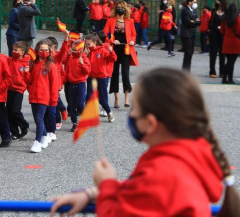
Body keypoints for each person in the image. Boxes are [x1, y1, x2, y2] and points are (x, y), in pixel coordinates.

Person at [50, 68, 240, 217]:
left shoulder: (163, 170)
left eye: (135, 107)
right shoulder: (193, 155)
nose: (131, 114)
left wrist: (106, 183)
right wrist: (93, 194)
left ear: (150, 124)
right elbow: (147, 192)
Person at [24, 39, 58, 153]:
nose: (44, 51)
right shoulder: (32, 64)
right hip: (34, 96)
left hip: (44, 97)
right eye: (41, 49)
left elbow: (54, 84)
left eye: (46, 50)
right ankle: (44, 136)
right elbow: (28, 81)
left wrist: (53, 100)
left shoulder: (51, 66)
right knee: (37, 119)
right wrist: (26, 72)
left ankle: (37, 141)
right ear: (37, 50)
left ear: (49, 51)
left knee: (39, 118)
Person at [103, 1, 139, 108]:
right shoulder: (110, 21)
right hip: (114, 50)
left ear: (125, 9)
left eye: (122, 7)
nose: (120, 9)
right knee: (114, 74)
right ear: (115, 9)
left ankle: (127, 98)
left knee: (125, 74)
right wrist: (112, 40)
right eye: (118, 7)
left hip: (126, 50)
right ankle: (116, 98)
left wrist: (133, 41)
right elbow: (106, 34)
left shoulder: (130, 21)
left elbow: (133, 34)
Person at [84, 33, 116, 122]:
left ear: (94, 43)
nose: (87, 46)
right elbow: (84, 63)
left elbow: (112, 59)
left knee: (102, 99)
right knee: (89, 97)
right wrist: (85, 55)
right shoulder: (87, 51)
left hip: (101, 77)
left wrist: (111, 51)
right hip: (91, 77)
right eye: (86, 44)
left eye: (89, 44)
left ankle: (109, 112)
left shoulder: (102, 50)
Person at [62, 40, 91, 132]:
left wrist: (82, 64)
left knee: (80, 104)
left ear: (81, 50)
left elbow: (87, 71)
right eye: (72, 49)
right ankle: (75, 123)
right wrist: (61, 83)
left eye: (75, 50)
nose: (73, 51)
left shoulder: (84, 58)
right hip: (71, 84)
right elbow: (66, 72)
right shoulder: (70, 59)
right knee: (71, 105)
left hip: (81, 84)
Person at [46, 32, 69, 134]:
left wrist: (66, 40)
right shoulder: (43, 57)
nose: (47, 50)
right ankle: (49, 121)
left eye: (49, 48)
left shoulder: (57, 57)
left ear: (54, 49)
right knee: (49, 102)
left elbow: (63, 52)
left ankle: (60, 116)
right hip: (46, 84)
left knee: (56, 101)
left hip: (55, 84)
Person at [7, 41, 30, 141]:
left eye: (16, 50)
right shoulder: (10, 60)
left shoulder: (27, 62)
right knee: (8, 112)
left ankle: (24, 125)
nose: (13, 51)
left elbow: (29, 78)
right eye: (13, 49)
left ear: (22, 52)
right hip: (9, 88)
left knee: (15, 110)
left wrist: (26, 73)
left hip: (19, 89)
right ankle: (15, 133)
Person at [220, 3, 240, 84]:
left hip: (226, 42)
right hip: (235, 42)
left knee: (228, 61)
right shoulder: (237, 20)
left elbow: (222, 31)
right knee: (232, 62)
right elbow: (239, 32)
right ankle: (230, 78)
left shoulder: (224, 19)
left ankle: (224, 78)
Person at [209, 0, 228, 78]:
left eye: (218, 1)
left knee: (222, 54)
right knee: (213, 54)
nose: (217, 2)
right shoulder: (214, 11)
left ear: (222, 2)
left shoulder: (226, 12)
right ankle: (212, 71)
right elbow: (211, 22)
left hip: (223, 35)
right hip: (214, 35)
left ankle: (222, 72)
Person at [180, 0, 201, 71]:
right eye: (194, 2)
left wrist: (194, 21)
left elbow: (199, 22)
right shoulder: (185, 10)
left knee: (191, 53)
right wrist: (194, 22)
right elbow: (187, 22)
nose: (195, 4)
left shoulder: (193, 11)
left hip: (192, 34)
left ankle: (187, 70)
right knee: (188, 52)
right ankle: (185, 71)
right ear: (190, 2)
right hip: (186, 34)